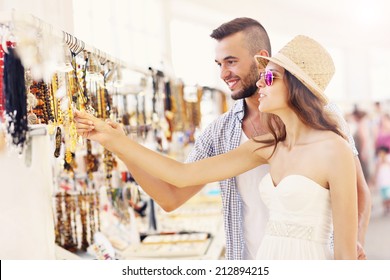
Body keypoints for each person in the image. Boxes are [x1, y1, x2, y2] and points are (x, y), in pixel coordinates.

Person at [79, 18, 370, 259]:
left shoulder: (328, 126)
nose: (223, 74)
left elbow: (359, 196)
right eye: (218, 63)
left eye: (230, 62)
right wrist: (116, 142)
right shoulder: (253, 141)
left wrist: (353, 245)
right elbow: (177, 184)